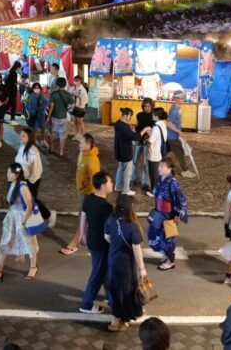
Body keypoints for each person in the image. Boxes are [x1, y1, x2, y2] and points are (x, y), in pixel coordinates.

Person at [0, 163, 39, 283]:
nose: (7, 174)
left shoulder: (22, 187)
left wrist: (24, 221)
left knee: (28, 242)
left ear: (17, 174)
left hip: (21, 218)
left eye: (10, 172)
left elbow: (30, 205)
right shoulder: (13, 184)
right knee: (5, 242)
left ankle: (33, 267)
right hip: (12, 218)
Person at [104, 194, 147, 332]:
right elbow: (137, 250)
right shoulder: (133, 227)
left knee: (115, 290)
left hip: (112, 260)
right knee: (126, 292)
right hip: (126, 265)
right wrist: (142, 269)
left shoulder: (111, 219)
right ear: (131, 208)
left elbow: (107, 237)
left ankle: (117, 318)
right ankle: (120, 320)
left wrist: (117, 246)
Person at [77, 172, 114, 314]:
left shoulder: (89, 198)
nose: (112, 184)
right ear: (103, 186)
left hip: (92, 240)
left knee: (104, 271)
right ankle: (86, 304)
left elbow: (83, 217)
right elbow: (108, 232)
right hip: (101, 244)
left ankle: (112, 298)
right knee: (98, 273)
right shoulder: (106, 207)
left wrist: (82, 234)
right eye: (110, 182)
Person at [61, 134, 101, 254]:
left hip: (87, 194)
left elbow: (94, 180)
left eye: (82, 143)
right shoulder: (83, 153)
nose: (79, 144)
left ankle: (74, 242)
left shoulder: (92, 159)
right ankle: (88, 235)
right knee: (83, 217)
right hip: (82, 191)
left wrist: (89, 195)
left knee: (83, 218)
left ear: (89, 145)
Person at [148, 156, 187, 271]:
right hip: (159, 212)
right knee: (155, 234)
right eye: (159, 166)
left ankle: (171, 260)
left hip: (169, 214)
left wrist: (178, 214)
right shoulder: (160, 178)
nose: (159, 168)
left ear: (170, 169)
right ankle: (166, 254)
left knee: (168, 238)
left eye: (162, 166)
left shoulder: (172, 181)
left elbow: (180, 199)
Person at [14, 128, 51, 223]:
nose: (20, 137)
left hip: (31, 180)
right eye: (20, 135)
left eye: (23, 135)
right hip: (23, 178)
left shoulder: (33, 152)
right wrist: (17, 173)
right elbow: (19, 162)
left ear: (29, 138)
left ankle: (46, 215)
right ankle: (29, 216)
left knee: (32, 200)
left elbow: (37, 170)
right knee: (27, 199)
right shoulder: (22, 147)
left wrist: (30, 181)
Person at [166, 91, 195, 176]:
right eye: (182, 98)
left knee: (165, 152)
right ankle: (185, 171)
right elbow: (169, 123)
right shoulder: (175, 109)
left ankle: (157, 163)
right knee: (180, 153)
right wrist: (179, 131)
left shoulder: (177, 107)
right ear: (177, 99)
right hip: (172, 136)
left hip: (173, 135)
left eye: (183, 98)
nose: (183, 99)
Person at [45, 77, 75, 157]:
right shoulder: (68, 94)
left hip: (54, 117)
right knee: (63, 136)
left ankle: (52, 149)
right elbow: (72, 105)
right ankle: (61, 152)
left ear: (57, 84)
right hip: (64, 118)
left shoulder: (53, 94)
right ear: (65, 85)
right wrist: (68, 109)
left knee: (51, 134)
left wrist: (48, 118)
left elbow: (51, 107)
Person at [113, 107, 137, 195]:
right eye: (130, 116)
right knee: (127, 171)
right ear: (126, 115)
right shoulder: (124, 126)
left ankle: (118, 186)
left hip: (119, 151)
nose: (130, 118)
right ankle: (126, 189)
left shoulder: (118, 123)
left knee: (120, 169)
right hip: (125, 152)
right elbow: (133, 137)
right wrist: (144, 130)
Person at [133, 99, 155, 192]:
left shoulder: (153, 116)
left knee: (146, 163)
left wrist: (149, 139)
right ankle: (133, 178)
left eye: (149, 106)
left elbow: (153, 130)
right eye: (145, 106)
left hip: (147, 142)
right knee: (134, 161)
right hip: (139, 141)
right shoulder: (139, 115)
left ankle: (144, 182)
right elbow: (138, 127)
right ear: (143, 106)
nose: (147, 108)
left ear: (152, 106)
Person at [146, 109, 170, 190]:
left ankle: (154, 191)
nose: (152, 116)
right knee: (156, 173)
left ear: (157, 116)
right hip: (159, 152)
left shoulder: (156, 128)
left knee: (153, 173)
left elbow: (150, 141)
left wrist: (145, 140)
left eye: (153, 115)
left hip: (154, 153)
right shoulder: (163, 124)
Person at [22, 83, 48, 149]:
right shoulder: (29, 96)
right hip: (34, 115)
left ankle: (43, 140)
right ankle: (35, 141)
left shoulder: (43, 95)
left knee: (43, 127)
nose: (37, 89)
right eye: (35, 88)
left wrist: (42, 107)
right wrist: (31, 113)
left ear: (40, 89)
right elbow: (27, 106)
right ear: (33, 89)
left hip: (41, 114)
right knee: (35, 129)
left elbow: (46, 103)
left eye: (38, 88)